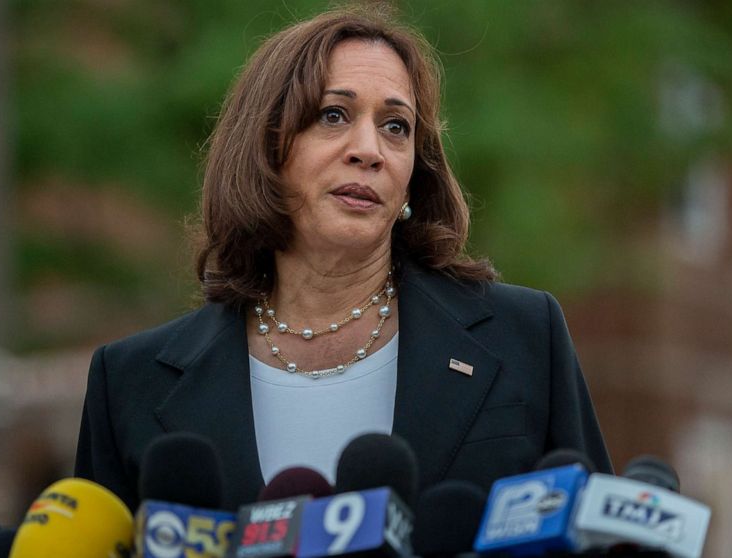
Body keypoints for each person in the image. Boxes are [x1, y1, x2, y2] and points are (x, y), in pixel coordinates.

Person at [75, 6, 611, 511]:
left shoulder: (523, 337)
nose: (369, 149)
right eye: (333, 115)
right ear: (267, 148)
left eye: (395, 126)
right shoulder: (130, 383)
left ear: (412, 175)